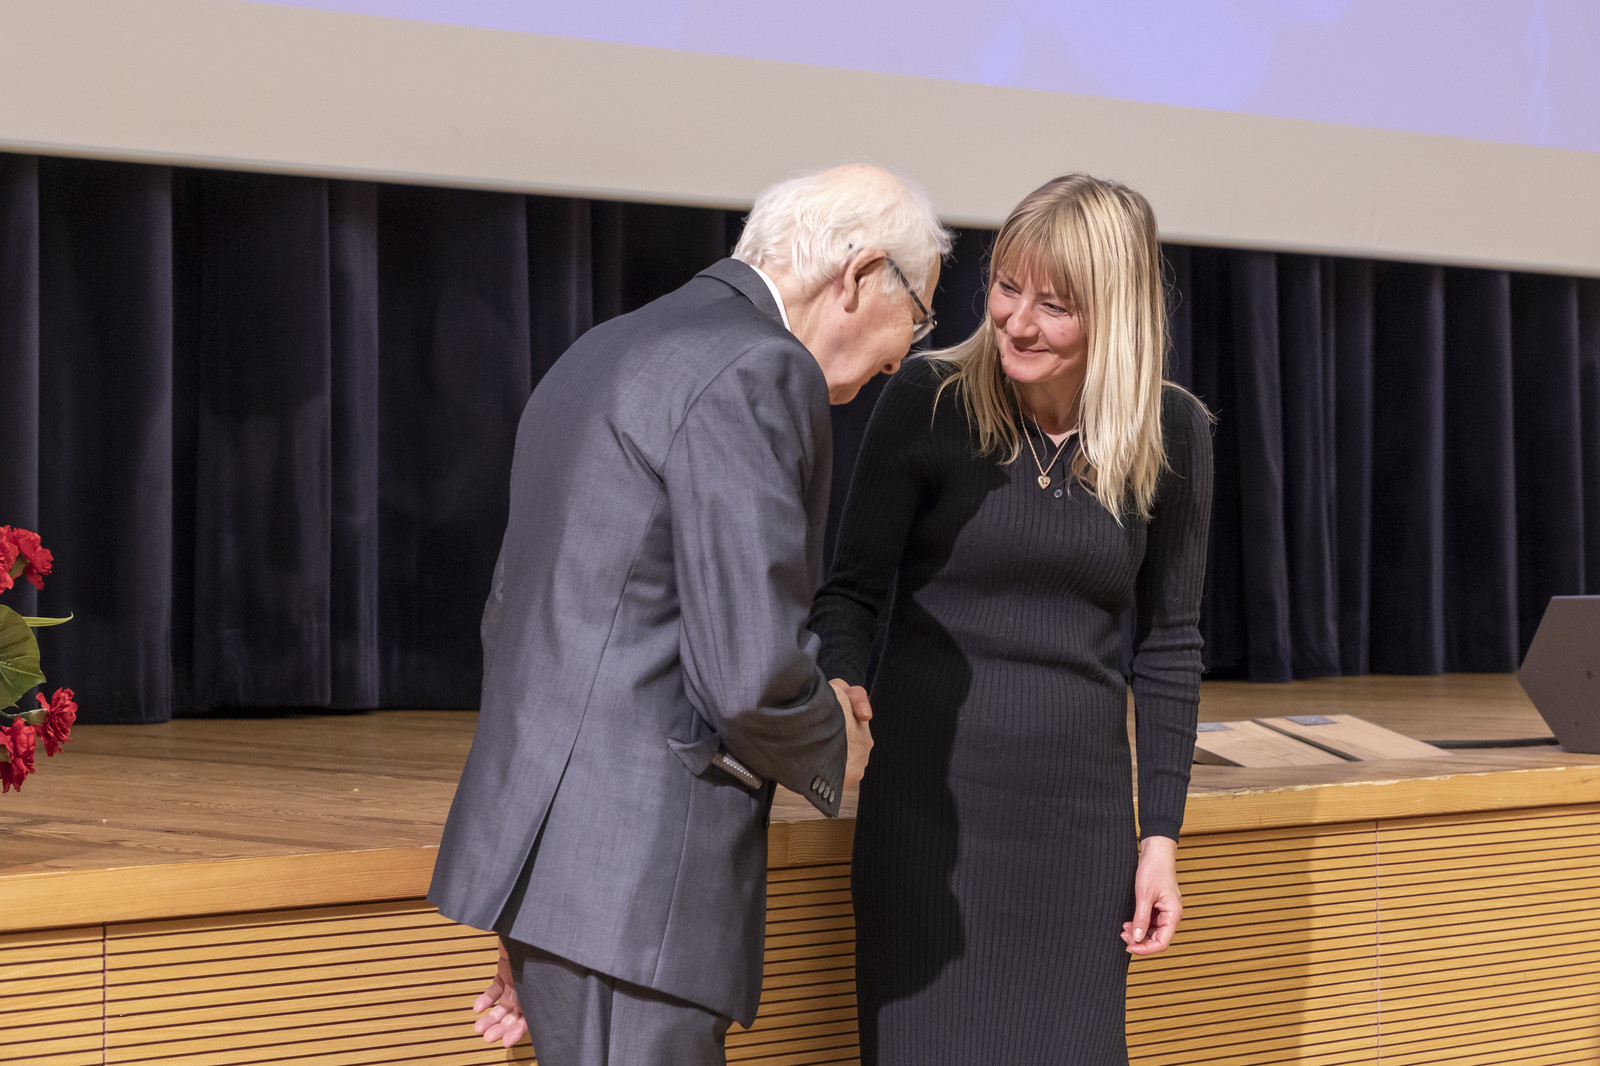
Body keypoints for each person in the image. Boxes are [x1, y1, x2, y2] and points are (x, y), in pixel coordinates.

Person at [429, 163, 953, 1066]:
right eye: (920, 313)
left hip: (563, 877)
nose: (905, 356)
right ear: (862, 276)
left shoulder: (604, 346)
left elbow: (521, 619)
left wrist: (541, 907)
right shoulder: (760, 367)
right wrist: (836, 737)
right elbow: (748, 674)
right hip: (636, 890)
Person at [808, 173, 1213, 1065]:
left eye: (1054, 305)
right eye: (1006, 287)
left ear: (1116, 316)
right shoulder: (929, 399)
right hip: (927, 829)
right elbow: (850, 594)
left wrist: (1160, 839)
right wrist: (839, 685)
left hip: (1079, 838)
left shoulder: (1173, 432)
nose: (1016, 322)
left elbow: (1170, 646)